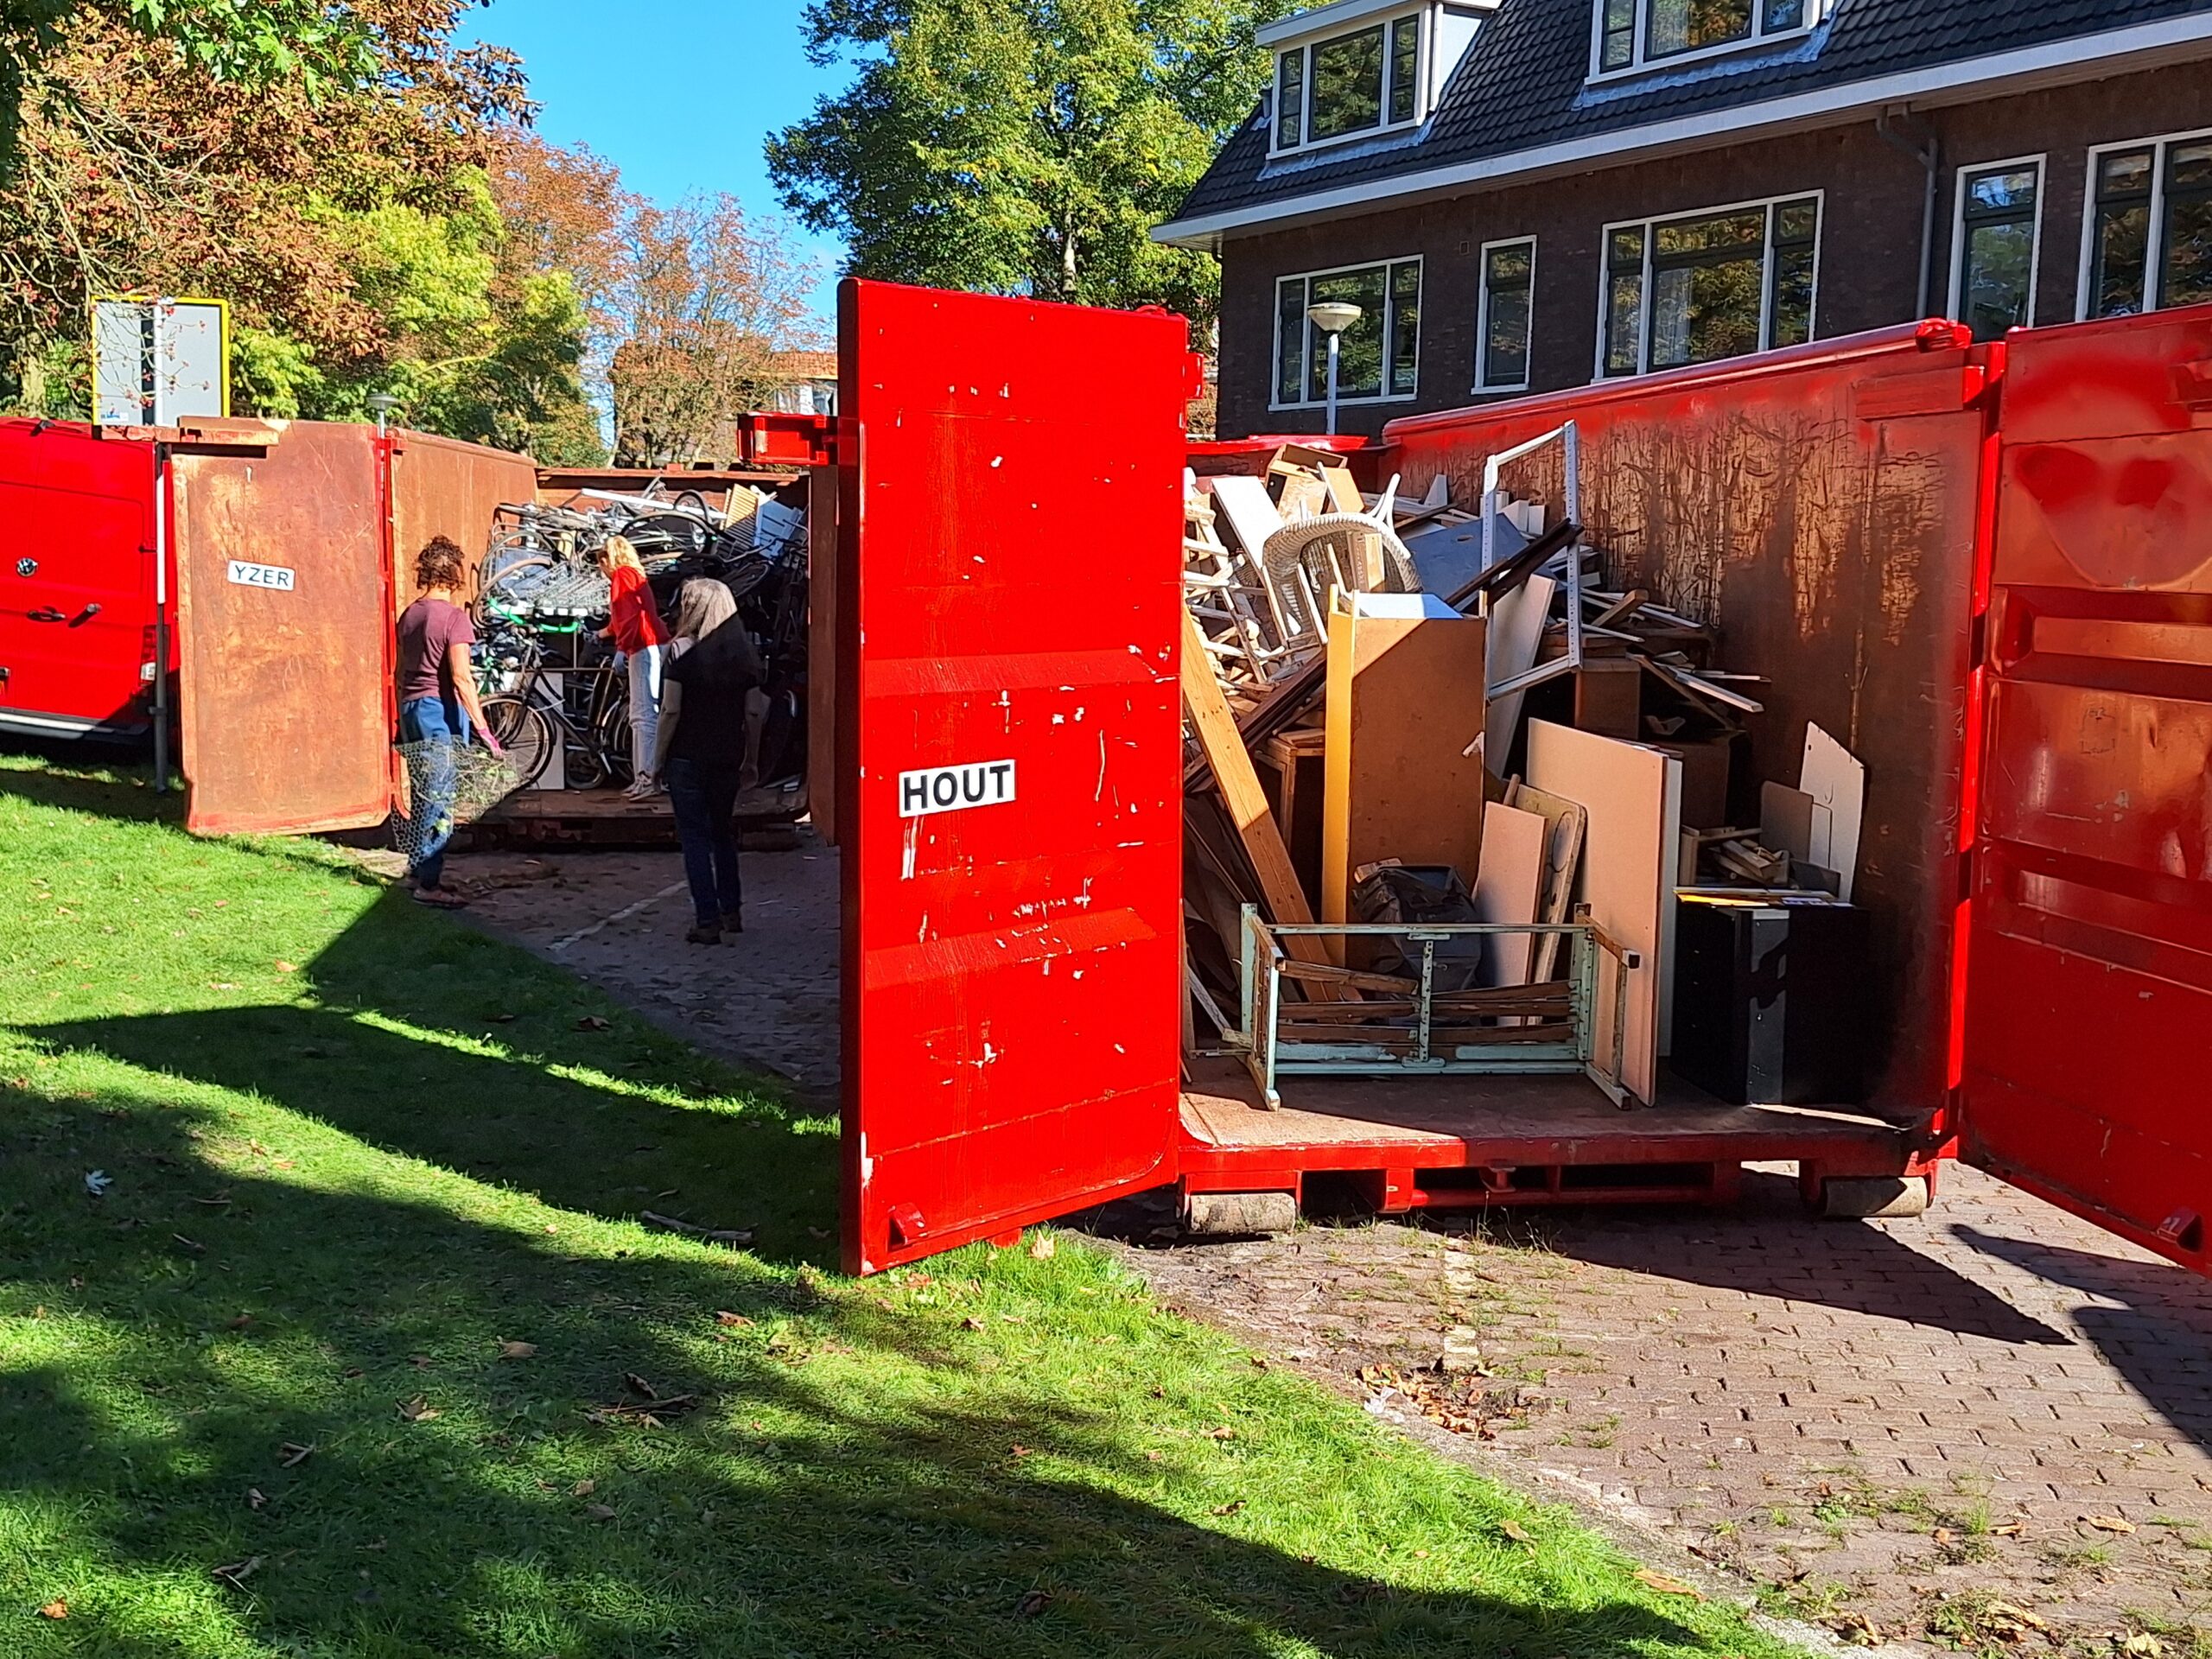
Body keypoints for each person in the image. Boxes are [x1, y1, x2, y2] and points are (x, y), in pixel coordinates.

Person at [652, 577, 764, 944]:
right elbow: (753, 713)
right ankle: (732, 911)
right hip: (728, 754)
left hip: (687, 756)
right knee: (722, 833)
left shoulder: (680, 652)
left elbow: (670, 710)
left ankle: (706, 919)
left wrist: (656, 761)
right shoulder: (744, 656)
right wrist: (752, 759)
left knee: (695, 838)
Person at [395, 535, 499, 908]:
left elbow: (399, 672)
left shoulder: (409, 615)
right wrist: (484, 729)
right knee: (440, 799)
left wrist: (401, 717)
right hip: (439, 712)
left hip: (411, 709)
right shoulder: (453, 618)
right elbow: (461, 678)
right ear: (455, 574)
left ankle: (416, 873)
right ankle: (430, 884)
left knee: (423, 793)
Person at [594, 534, 669, 801]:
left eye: (600, 565)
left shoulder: (621, 577)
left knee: (643, 716)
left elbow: (629, 619)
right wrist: (604, 633)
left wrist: (621, 649)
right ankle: (645, 777)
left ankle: (647, 779)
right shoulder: (635, 575)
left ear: (607, 560)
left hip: (643, 647)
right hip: (650, 644)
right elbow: (624, 619)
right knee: (644, 715)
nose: (601, 572)